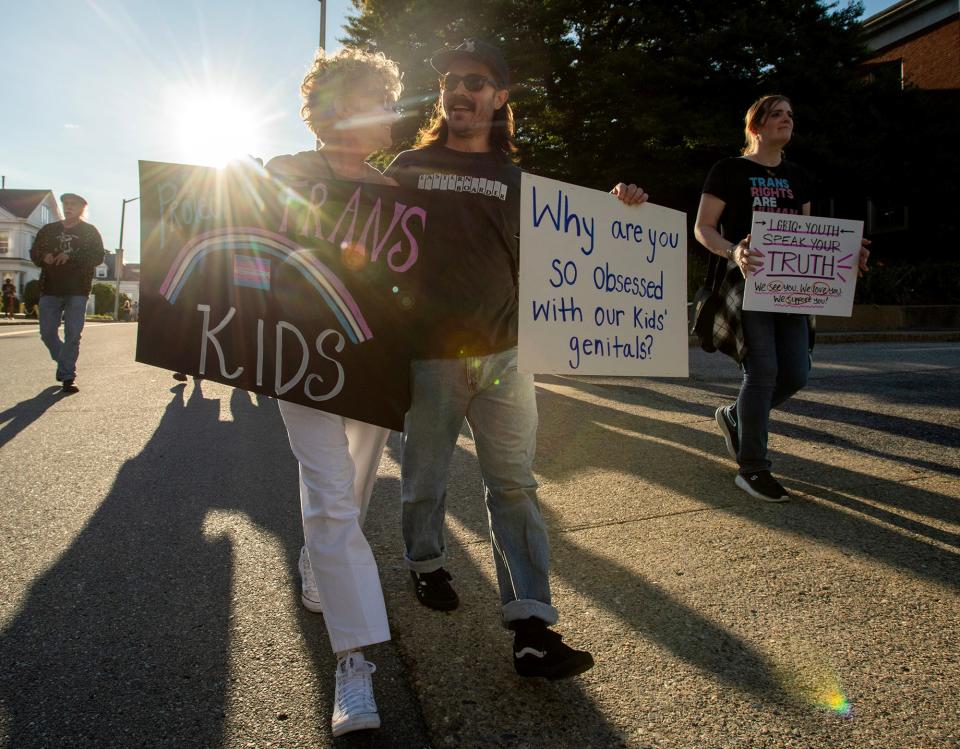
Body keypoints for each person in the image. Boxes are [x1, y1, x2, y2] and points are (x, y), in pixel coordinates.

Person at [384, 38, 647, 680]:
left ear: (500, 98)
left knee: (514, 487)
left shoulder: (521, 181)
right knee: (425, 479)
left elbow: (580, 249)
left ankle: (531, 625)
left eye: (475, 82)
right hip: (429, 359)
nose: (459, 91)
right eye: (449, 81)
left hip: (506, 358)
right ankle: (425, 564)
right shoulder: (408, 166)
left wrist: (623, 215)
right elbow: (359, 242)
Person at [263, 47, 403, 738]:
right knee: (328, 494)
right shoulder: (285, 173)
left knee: (349, 491)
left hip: (373, 362)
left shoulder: (399, 192)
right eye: (373, 100)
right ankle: (354, 663)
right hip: (299, 357)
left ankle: (319, 561)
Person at [694, 95, 869, 502]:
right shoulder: (729, 170)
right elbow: (704, 228)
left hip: (792, 289)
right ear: (755, 126)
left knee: (796, 373)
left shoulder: (797, 176)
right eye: (776, 114)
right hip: (747, 285)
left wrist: (845, 257)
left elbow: (807, 238)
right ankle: (752, 467)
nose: (786, 120)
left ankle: (737, 417)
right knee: (762, 371)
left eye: (790, 114)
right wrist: (733, 250)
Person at [29, 193, 105, 394]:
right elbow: (34, 252)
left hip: (77, 290)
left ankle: (68, 375)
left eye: (73, 204)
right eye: (66, 204)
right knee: (47, 333)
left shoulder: (89, 232)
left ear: (82, 208)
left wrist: (70, 255)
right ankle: (64, 362)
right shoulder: (48, 230)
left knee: (73, 334)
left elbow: (98, 256)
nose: (68, 207)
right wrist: (43, 256)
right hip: (50, 288)